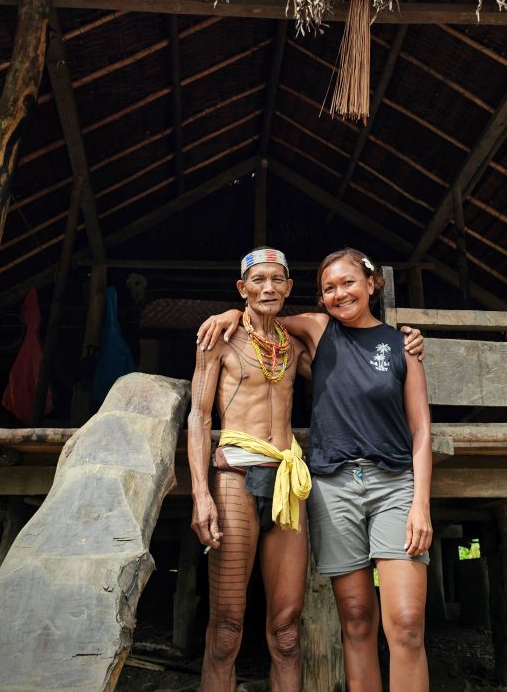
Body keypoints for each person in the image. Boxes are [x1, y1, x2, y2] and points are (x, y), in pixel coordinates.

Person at [191, 247, 424, 692]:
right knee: (225, 631)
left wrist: (405, 342)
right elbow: (198, 418)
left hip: (287, 481)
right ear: (242, 289)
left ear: (291, 289)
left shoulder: (295, 344)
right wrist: (201, 493)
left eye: (277, 280)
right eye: (257, 280)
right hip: (236, 478)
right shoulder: (219, 339)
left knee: (286, 631)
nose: (268, 288)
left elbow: (353, 371)